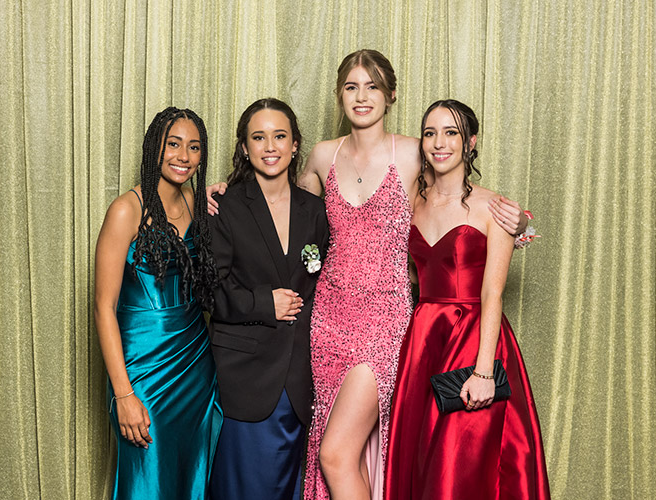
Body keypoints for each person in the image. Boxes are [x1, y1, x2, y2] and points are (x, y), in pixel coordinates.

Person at [206, 50, 529, 500]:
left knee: (335, 454)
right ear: (339, 96)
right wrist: (224, 188)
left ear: (391, 94)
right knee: (341, 451)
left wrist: (516, 222)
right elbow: (284, 214)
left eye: (373, 86)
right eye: (352, 87)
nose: (362, 97)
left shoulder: (414, 152)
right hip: (327, 321)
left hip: (385, 321)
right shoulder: (321, 156)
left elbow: (455, 200)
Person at [385, 100, 550, 499]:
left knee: (458, 463)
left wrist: (483, 372)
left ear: (470, 142)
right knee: (422, 459)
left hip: (474, 339)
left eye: (451, 132)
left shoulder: (495, 207)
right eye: (430, 133)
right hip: (423, 339)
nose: (439, 143)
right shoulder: (412, 202)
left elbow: (493, 292)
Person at [94, 107, 222, 499]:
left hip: (196, 365)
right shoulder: (125, 210)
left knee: (193, 474)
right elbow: (103, 306)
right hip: (145, 372)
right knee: (148, 481)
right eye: (174, 144)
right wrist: (124, 394)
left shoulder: (198, 205)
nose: (183, 156)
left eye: (194, 147)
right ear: (155, 148)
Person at [208, 98, 329, 500]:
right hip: (246, 376)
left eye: (280, 136)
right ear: (244, 147)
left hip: (299, 378)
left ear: (296, 144)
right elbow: (209, 290)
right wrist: (264, 303)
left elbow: (327, 284)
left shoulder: (315, 210)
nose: (270, 146)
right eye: (258, 137)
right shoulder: (223, 205)